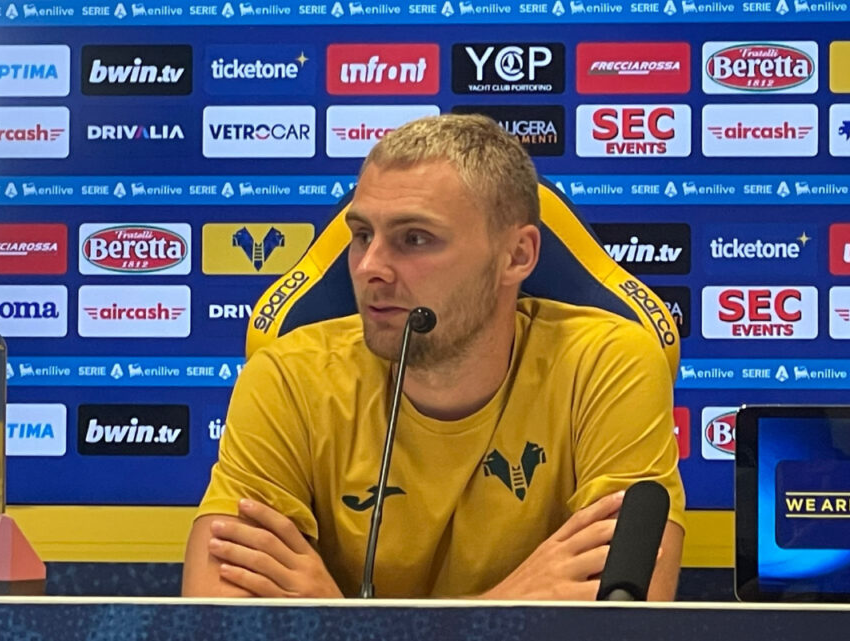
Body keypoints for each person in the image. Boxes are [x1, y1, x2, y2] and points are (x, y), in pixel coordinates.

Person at [182, 114, 685, 599]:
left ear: (517, 256)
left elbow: (623, 622)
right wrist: (508, 603)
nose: (370, 267)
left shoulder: (607, 366)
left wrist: (340, 621)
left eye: (415, 239)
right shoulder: (288, 377)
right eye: (362, 235)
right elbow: (219, 619)